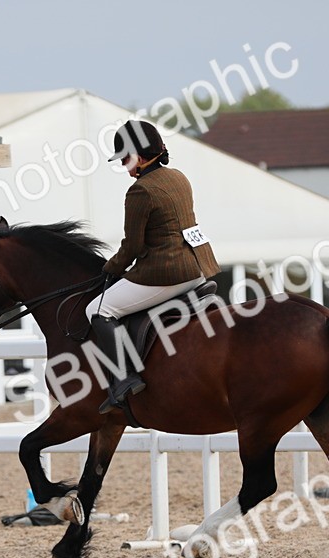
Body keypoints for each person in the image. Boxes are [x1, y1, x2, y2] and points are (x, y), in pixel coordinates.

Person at [86, 120, 220, 414]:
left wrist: (110, 269)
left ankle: (123, 378)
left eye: (125, 157)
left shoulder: (140, 191)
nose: (123, 165)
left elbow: (132, 247)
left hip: (167, 272)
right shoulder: (178, 177)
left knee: (98, 310)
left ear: (141, 154)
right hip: (199, 267)